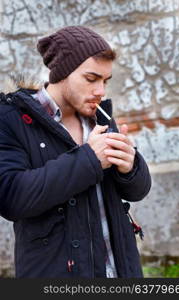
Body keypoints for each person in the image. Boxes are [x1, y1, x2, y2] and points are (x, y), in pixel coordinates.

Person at [0, 26, 151, 278]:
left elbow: (138, 191)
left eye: (105, 81)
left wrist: (130, 167)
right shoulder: (12, 119)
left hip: (121, 272)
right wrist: (90, 160)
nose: (101, 91)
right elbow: (11, 198)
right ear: (61, 73)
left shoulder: (100, 116)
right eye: (91, 79)